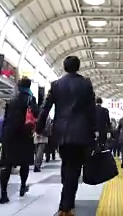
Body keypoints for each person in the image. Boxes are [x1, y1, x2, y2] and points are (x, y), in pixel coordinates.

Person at [35, 56, 96, 216]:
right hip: (81, 132)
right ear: (78, 67)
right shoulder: (86, 84)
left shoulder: (56, 85)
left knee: (67, 165)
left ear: (64, 67)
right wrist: (95, 131)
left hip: (61, 132)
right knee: (73, 169)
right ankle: (66, 206)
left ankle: (66, 200)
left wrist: (39, 127)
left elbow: (45, 108)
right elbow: (91, 110)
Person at [0, 77, 39, 203]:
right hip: (24, 134)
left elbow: (6, 118)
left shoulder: (11, 99)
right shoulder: (30, 99)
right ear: (29, 86)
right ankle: (22, 187)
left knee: (6, 165)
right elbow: (36, 113)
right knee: (24, 163)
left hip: (9, 135)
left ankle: (3, 194)